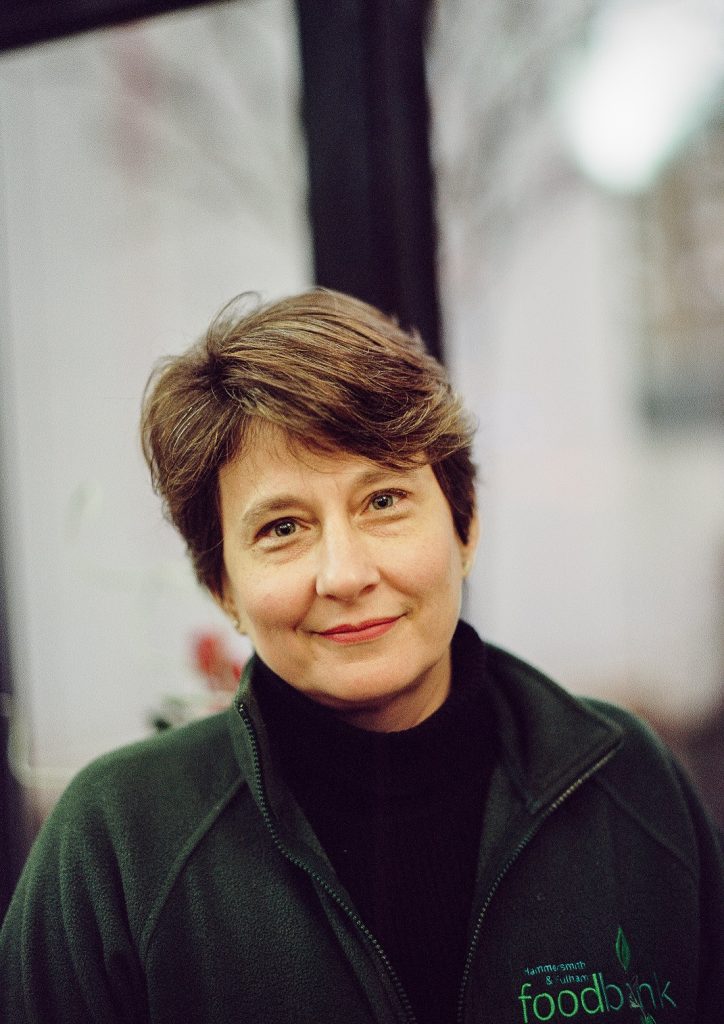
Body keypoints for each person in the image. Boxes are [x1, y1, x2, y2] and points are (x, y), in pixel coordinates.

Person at [1, 289, 722, 1024]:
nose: (345, 575)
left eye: (383, 501)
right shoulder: (117, 847)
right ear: (222, 586)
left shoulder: (628, 787)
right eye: (282, 527)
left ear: (464, 525)